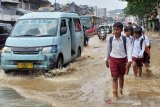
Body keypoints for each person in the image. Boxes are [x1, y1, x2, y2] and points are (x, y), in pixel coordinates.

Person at [105, 22, 132, 99]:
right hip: (113, 59)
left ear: (121, 30)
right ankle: (115, 94)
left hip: (123, 60)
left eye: (117, 29)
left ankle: (120, 90)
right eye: (114, 29)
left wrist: (129, 60)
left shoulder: (125, 39)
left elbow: (129, 50)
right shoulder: (110, 39)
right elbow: (108, 50)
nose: (115, 31)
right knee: (114, 77)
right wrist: (106, 60)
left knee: (121, 76)